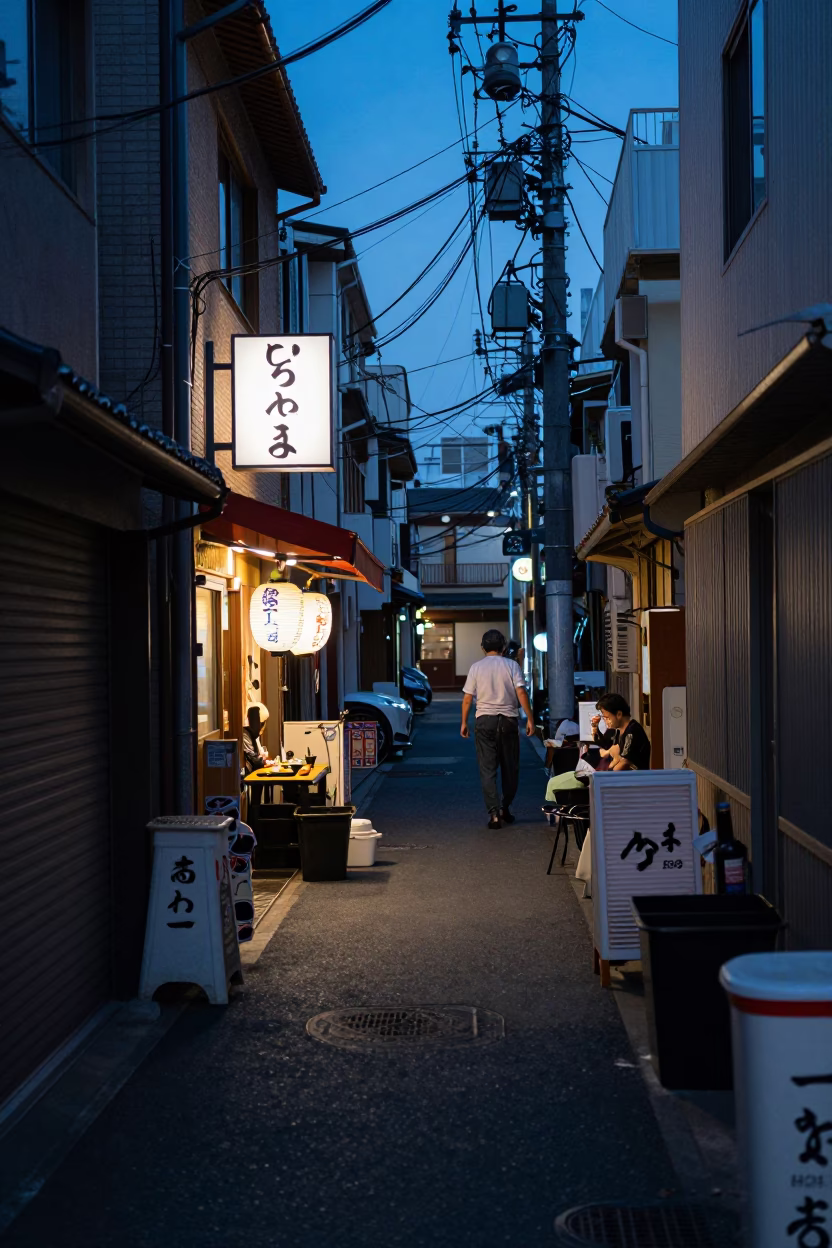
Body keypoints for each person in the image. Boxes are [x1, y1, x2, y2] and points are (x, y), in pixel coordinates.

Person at [461, 628, 535, 829]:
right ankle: (505, 806)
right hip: (509, 721)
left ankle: (493, 814)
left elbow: (468, 698)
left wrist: (464, 723)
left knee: (487, 769)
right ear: (503, 647)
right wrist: (530, 718)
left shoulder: (476, 667)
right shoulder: (511, 665)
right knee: (510, 768)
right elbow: (521, 692)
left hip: (484, 721)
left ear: (483, 648)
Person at [591, 692, 650, 771]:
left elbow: (624, 762)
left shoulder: (632, 732)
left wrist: (605, 774)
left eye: (607, 718)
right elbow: (604, 744)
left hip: (635, 780)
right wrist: (595, 726)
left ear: (619, 714)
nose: (605, 721)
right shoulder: (618, 731)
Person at [242, 702, 274, 776]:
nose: (262, 726)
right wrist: (264, 760)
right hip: (250, 774)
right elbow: (254, 760)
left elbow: (261, 755)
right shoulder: (246, 734)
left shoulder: (255, 735)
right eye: (261, 723)